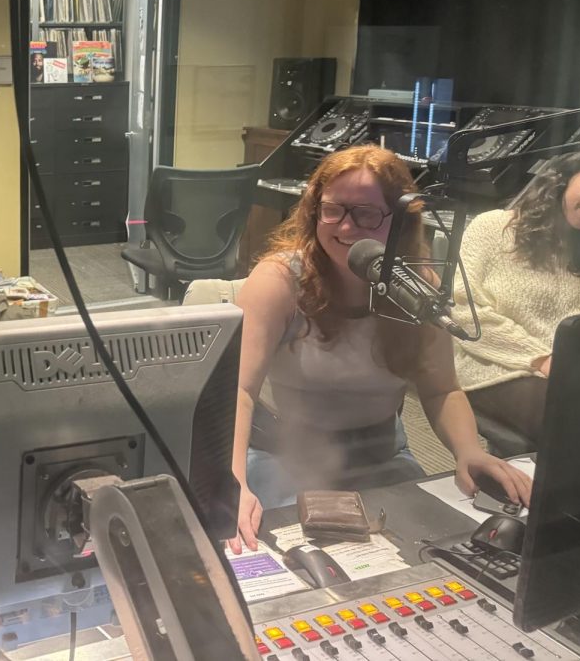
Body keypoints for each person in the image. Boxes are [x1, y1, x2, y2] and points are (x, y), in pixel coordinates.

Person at [228, 145, 532, 553]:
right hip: (285, 458)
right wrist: (232, 484)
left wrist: (469, 450)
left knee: (427, 551)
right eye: (333, 209)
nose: (347, 228)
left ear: (402, 222)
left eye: (367, 214)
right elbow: (238, 392)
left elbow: (441, 388)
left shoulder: (418, 287)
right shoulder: (279, 281)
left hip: (380, 456)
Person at [453, 149, 580, 442]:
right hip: (495, 366)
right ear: (565, 179)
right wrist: (539, 358)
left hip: (573, 375)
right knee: (579, 418)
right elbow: (466, 314)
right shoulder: (494, 227)